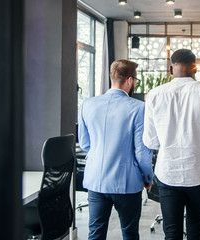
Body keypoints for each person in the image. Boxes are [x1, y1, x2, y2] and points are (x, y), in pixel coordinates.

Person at [143, 49, 200, 240]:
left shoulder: (154, 95)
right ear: (195, 69)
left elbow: (150, 141)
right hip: (199, 173)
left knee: (171, 232)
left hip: (168, 174)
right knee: (196, 230)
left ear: (170, 69)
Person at [78, 59, 153, 240]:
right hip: (126, 182)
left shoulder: (88, 104)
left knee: (95, 233)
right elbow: (141, 152)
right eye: (136, 80)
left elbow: (85, 144)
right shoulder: (139, 108)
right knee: (129, 233)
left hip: (96, 180)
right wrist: (148, 176)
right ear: (129, 80)